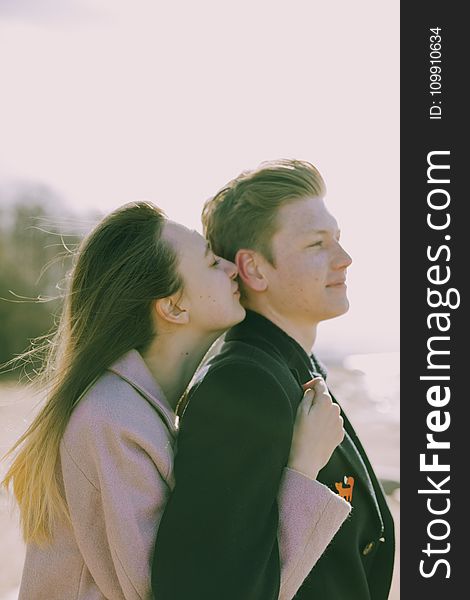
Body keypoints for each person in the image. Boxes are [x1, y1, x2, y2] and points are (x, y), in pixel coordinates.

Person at [2, 201, 349, 600]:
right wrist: (304, 466)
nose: (232, 267)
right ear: (174, 306)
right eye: (209, 263)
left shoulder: (132, 407)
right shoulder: (111, 420)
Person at [153, 160, 395, 600]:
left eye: (337, 239)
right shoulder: (245, 385)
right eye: (316, 245)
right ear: (255, 269)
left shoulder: (291, 364)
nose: (344, 258)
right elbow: (206, 588)